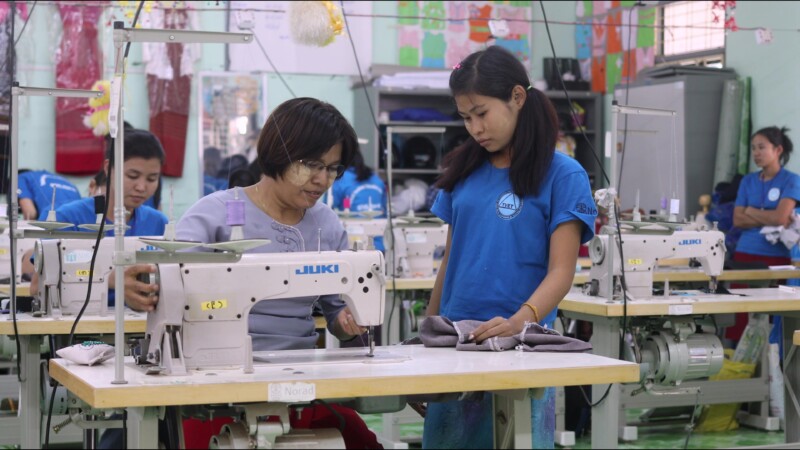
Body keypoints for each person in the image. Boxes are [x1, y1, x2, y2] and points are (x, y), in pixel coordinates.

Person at [174, 97, 382, 449]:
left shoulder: (327, 224)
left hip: (300, 385)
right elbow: (171, 283)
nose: (322, 180)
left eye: (332, 168)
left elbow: (336, 308)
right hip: (220, 387)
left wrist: (347, 319)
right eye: (311, 165)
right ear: (277, 153)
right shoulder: (213, 215)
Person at [423, 46, 597, 449]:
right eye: (465, 118)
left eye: (481, 113)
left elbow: (562, 271)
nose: (474, 128)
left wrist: (520, 319)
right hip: (455, 341)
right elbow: (451, 259)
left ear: (517, 97)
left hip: (522, 344)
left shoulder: (563, 175)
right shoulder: (464, 171)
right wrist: (426, 339)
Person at [28, 128, 168, 311]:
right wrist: (108, 280)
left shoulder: (158, 223)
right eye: (132, 176)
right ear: (108, 168)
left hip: (142, 329)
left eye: (152, 179)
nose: (141, 187)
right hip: (80, 332)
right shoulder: (68, 219)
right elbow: (36, 288)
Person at [729, 126, 800, 342]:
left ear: (778, 150)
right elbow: (737, 219)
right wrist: (767, 214)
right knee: (741, 314)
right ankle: (740, 366)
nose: (756, 153)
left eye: (762, 147)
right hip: (745, 255)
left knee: (773, 317)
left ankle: (771, 366)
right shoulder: (747, 181)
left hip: (776, 259)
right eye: (753, 148)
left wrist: (750, 211)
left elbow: (780, 218)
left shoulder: (792, 180)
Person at [17, 168, 82, 221]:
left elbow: (30, 214)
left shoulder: (20, 178)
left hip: (55, 217)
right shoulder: (61, 179)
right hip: (81, 217)